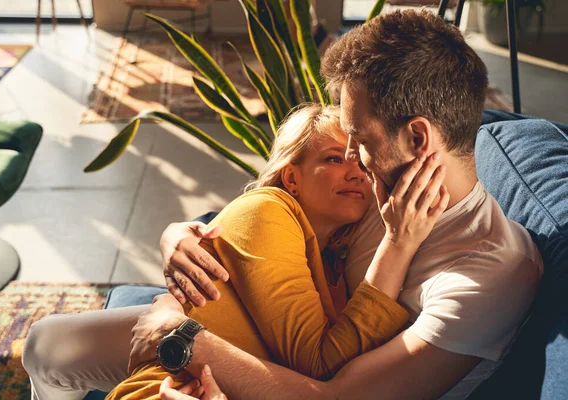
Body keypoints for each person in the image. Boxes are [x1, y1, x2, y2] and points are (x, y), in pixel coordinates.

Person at [143, 9, 543, 400]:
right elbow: (275, 219)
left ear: (418, 139)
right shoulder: (378, 193)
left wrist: (176, 336)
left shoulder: (488, 278)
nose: (353, 156)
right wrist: (180, 234)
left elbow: (334, 395)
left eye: (360, 139)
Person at [21, 104, 447, 399]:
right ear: (291, 177)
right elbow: (320, 364)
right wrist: (400, 241)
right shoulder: (270, 210)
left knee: (45, 346)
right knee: (43, 347)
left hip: (212, 366)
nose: (356, 171)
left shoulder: (334, 255)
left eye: (358, 158)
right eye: (335, 158)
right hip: (173, 369)